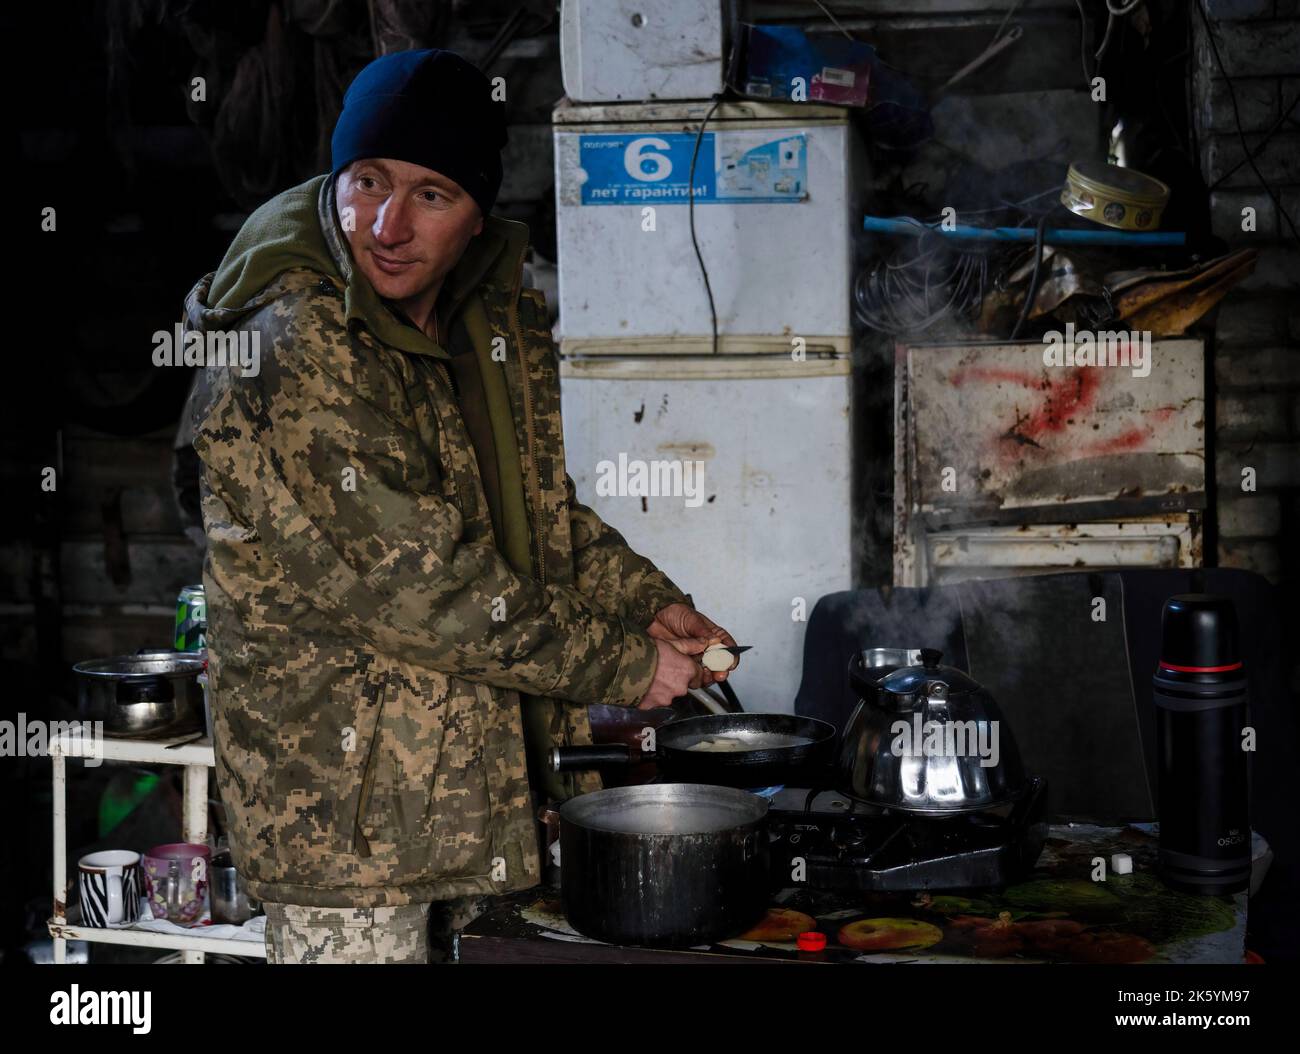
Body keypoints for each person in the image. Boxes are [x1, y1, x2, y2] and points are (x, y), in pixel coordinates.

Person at [186, 48, 737, 963]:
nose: (387, 224)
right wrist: (622, 665)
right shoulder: (295, 344)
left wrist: (645, 601)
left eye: (431, 194)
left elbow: (530, 508)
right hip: (348, 825)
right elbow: (422, 587)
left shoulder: (473, 318)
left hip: (469, 796)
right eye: (368, 181)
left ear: (477, 214)